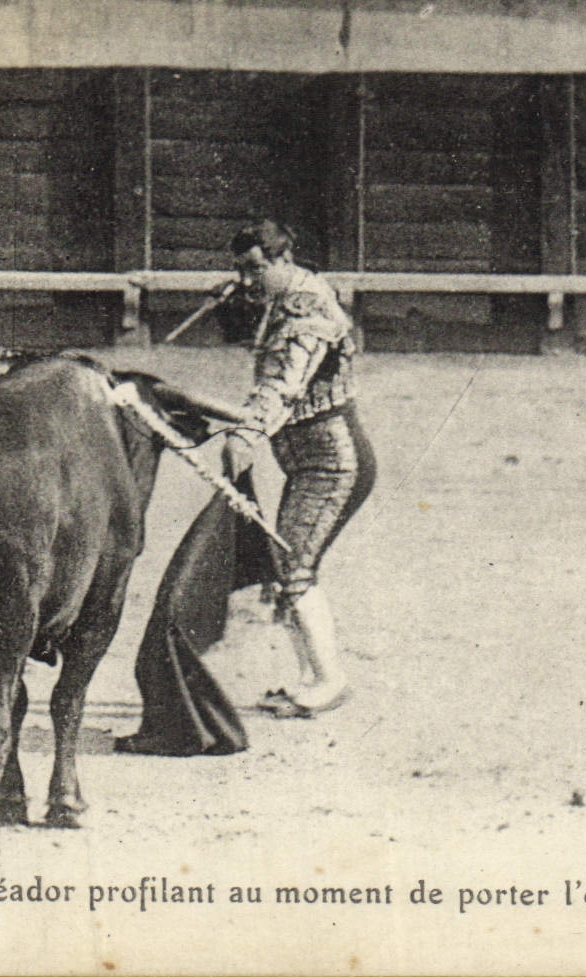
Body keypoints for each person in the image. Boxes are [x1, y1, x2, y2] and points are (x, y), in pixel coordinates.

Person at [216, 219, 377, 718]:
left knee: (292, 569)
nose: (246, 280)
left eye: (254, 269)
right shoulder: (285, 297)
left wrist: (248, 434)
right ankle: (311, 677)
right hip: (309, 464)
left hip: (333, 464)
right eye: (239, 270)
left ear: (282, 260)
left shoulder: (306, 307)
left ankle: (328, 681)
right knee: (285, 568)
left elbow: (286, 383)